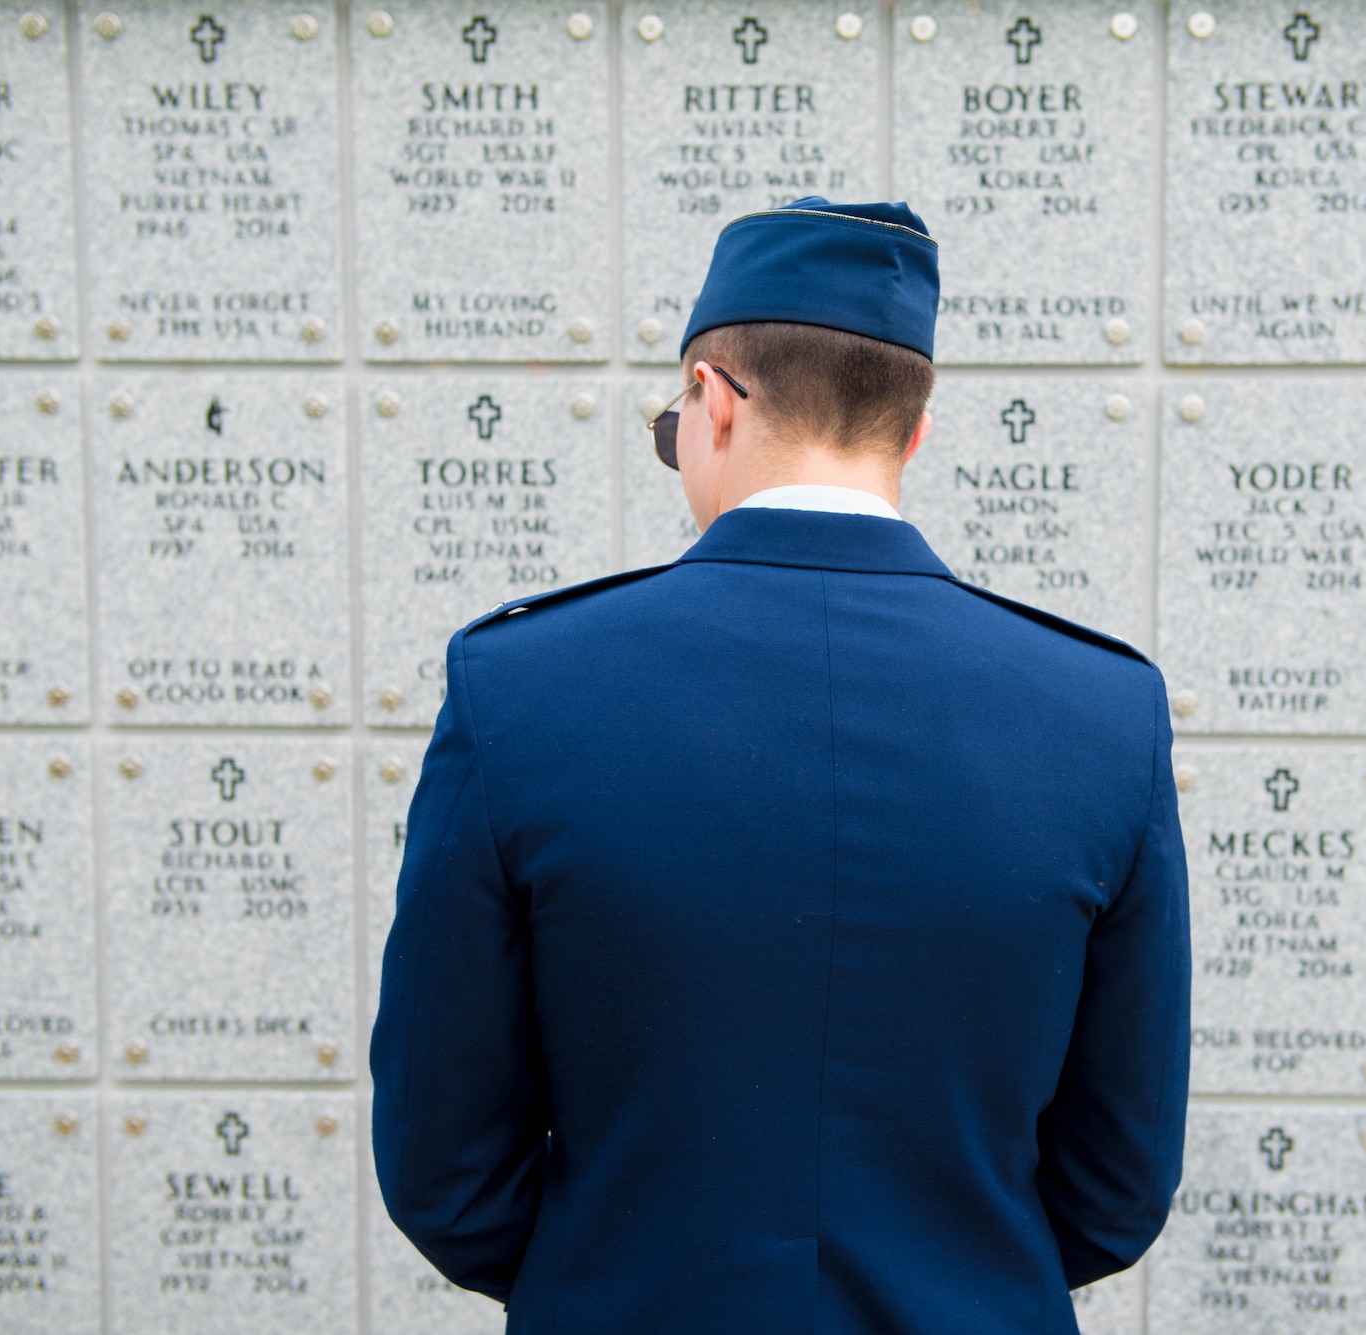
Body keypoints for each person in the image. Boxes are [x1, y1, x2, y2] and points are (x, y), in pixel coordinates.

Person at [372, 197, 1190, 1334]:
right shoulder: (1104, 707)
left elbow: (441, 1167)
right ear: (914, 432)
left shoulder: (522, 684)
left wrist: (618, 1274)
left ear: (709, 399)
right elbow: (1117, 1186)